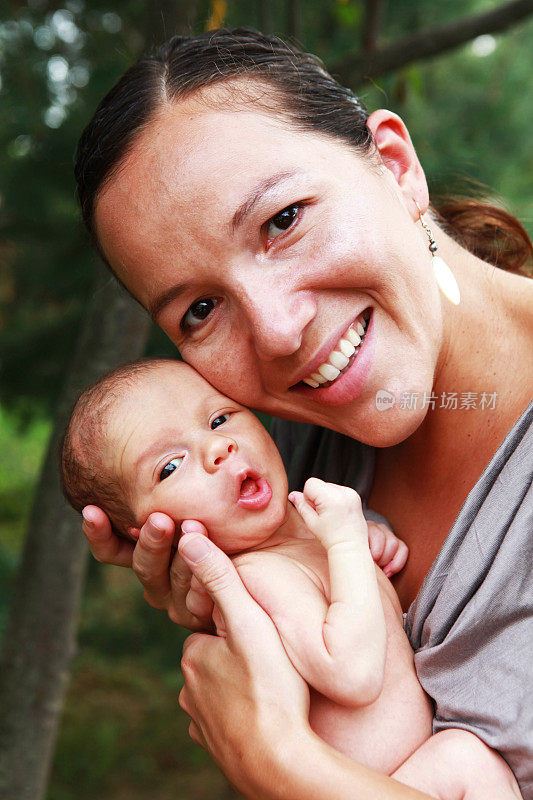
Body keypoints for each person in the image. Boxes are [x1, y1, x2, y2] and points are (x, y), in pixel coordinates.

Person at [73, 28, 533, 800]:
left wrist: (279, 763)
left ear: (393, 165)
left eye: (282, 220)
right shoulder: (276, 447)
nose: (278, 333)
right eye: (201, 310)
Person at [59, 358, 521, 799]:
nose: (217, 448)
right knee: (469, 761)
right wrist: (345, 547)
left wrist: (367, 539)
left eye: (220, 419)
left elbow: (346, 590)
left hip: (406, 772)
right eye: (170, 467)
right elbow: (352, 674)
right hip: (373, 784)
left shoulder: (300, 530)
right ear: (149, 536)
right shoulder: (258, 578)